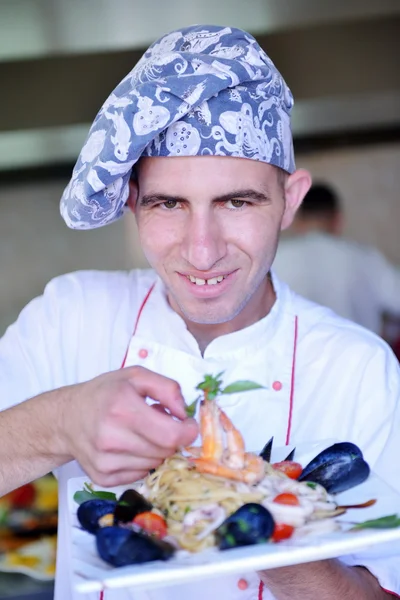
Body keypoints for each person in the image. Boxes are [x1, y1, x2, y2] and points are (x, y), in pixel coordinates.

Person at [0, 24, 399, 600]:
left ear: (291, 200)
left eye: (237, 202)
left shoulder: (358, 369)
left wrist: (273, 528)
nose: (202, 250)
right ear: (134, 203)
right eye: (169, 204)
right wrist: (59, 421)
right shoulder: (70, 316)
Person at [273, 183, 400, 334]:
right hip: (360, 354)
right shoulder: (366, 258)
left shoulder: (275, 259)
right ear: (338, 219)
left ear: (295, 219)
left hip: (292, 356)